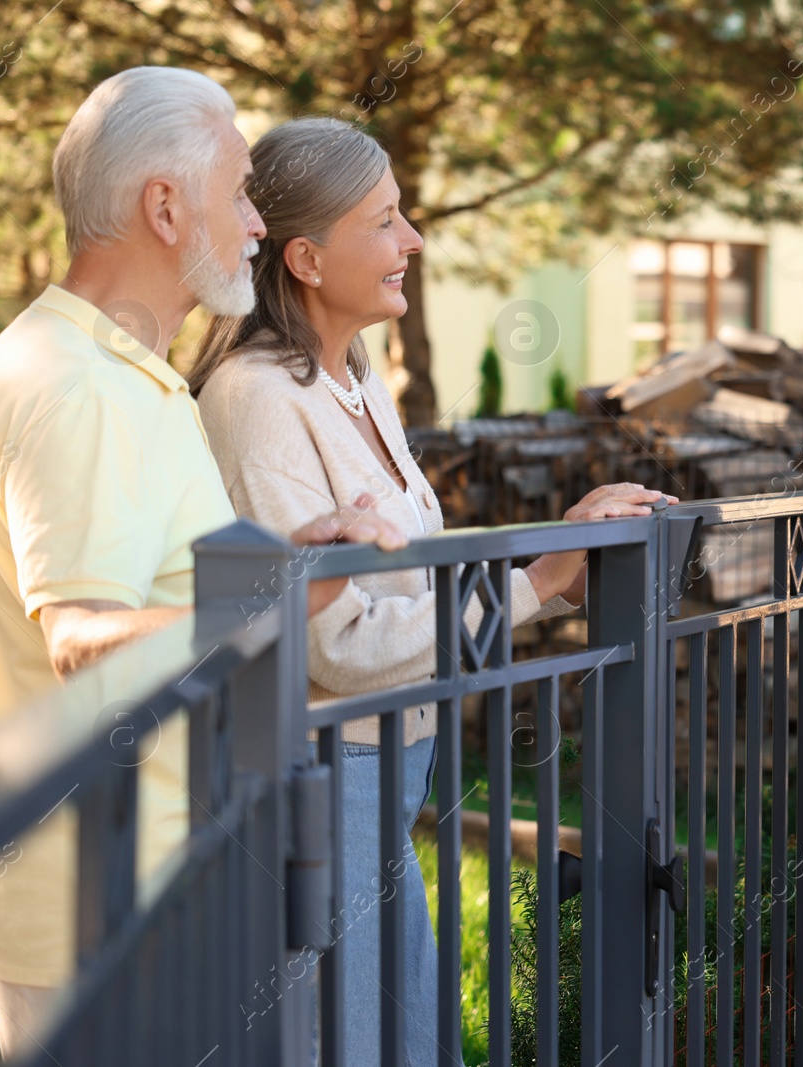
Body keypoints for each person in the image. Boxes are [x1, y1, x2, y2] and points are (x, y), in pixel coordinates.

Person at [0, 68, 409, 1059]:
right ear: (164, 207)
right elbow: (80, 641)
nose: (253, 223)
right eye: (239, 192)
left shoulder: (114, 372)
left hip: (151, 889)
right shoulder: (77, 391)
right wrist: (282, 595)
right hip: (110, 912)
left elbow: (147, 587)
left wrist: (285, 558)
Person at [187, 116, 673, 1067]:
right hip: (317, 786)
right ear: (307, 259)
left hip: (382, 784)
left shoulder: (353, 381)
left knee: (407, 1037)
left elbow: (416, 579)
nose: (412, 239)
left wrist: (564, 548)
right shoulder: (255, 399)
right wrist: (537, 582)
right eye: (387, 220)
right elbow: (339, 639)